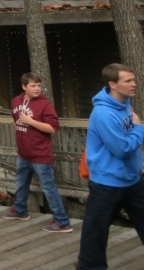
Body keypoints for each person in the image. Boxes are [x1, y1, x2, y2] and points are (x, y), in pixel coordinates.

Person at [76, 63, 144, 270]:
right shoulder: (103, 113)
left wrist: (139, 163)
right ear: (113, 84)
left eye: (133, 79)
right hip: (107, 182)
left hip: (132, 178)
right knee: (95, 231)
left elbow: (127, 140)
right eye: (128, 81)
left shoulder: (125, 104)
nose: (134, 84)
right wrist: (139, 128)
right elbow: (121, 149)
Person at [2, 72, 72, 233]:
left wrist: (31, 122)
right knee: (21, 183)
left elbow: (53, 128)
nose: (37, 88)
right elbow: (15, 120)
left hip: (40, 154)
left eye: (39, 85)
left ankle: (62, 221)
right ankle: (20, 210)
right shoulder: (16, 101)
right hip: (23, 153)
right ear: (24, 87)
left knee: (48, 187)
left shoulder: (45, 105)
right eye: (33, 85)